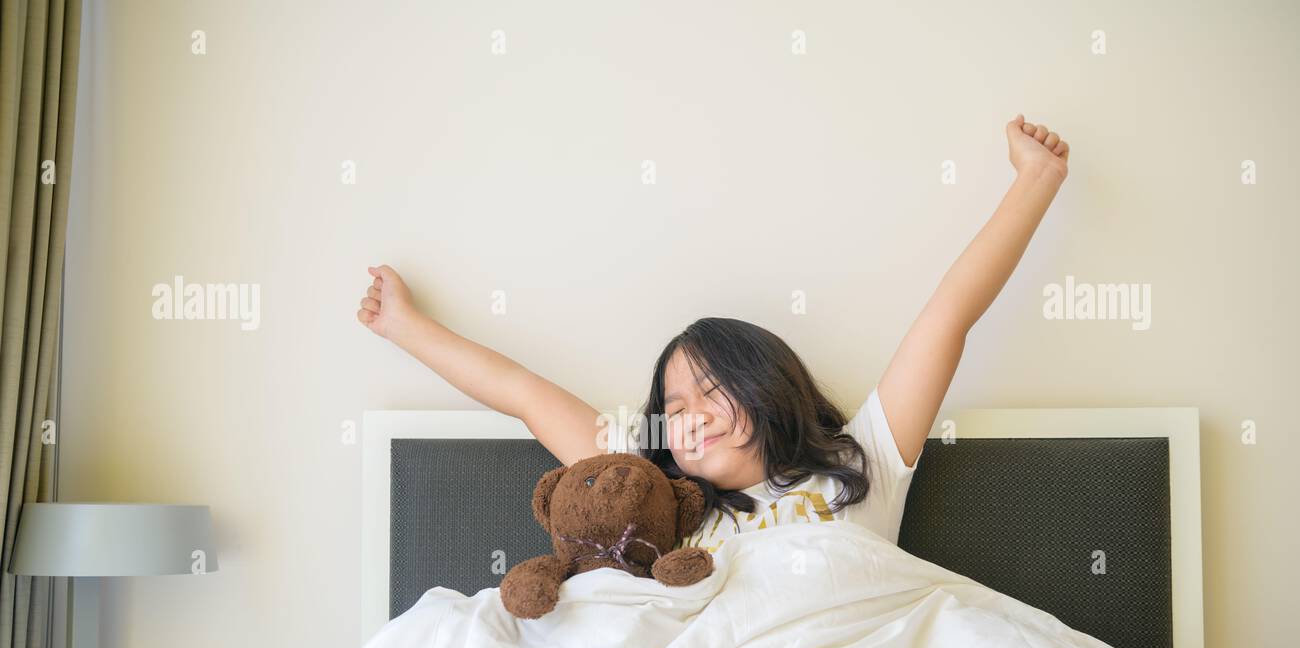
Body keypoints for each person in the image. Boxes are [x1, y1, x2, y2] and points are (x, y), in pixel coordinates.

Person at [357, 114, 1070, 553]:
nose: (688, 416)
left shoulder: (862, 466)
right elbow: (525, 395)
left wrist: (1034, 180)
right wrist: (404, 326)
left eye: (708, 389)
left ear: (766, 389)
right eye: (673, 405)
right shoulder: (659, 502)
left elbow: (949, 314)